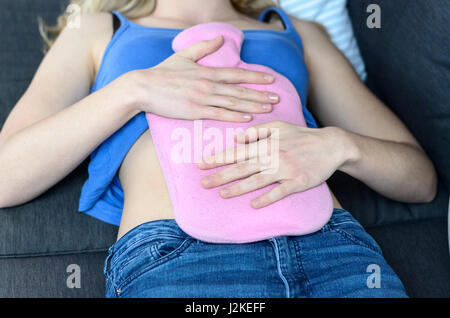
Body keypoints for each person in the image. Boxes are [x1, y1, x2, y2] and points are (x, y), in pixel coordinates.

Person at [0, 0, 437, 297]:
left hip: (332, 250)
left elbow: (420, 180)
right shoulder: (99, 28)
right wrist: (134, 90)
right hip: (182, 259)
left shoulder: (296, 31)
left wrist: (339, 145)